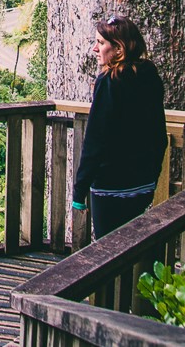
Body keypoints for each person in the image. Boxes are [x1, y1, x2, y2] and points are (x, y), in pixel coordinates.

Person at [71, 14, 168, 238]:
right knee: (133, 249)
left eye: (101, 43)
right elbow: (158, 134)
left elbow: (96, 141)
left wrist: (79, 192)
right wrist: (153, 175)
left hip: (110, 186)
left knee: (107, 251)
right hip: (142, 183)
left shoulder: (109, 82)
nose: (95, 49)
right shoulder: (149, 75)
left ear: (119, 50)